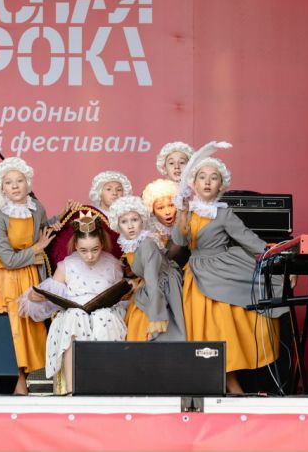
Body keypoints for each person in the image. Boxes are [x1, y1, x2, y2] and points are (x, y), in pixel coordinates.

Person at [173, 151, 283, 394]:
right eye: (202, 177)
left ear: (221, 185)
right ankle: (222, 385)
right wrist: (181, 212)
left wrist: (279, 261)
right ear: (193, 183)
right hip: (197, 276)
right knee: (202, 334)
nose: (207, 182)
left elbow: (250, 241)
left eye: (213, 178)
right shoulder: (187, 211)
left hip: (224, 272)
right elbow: (180, 241)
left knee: (222, 331)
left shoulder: (224, 213)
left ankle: (232, 386)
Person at [0, 157, 79, 394]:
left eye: (19, 180)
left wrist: (61, 216)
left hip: (28, 276)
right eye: (9, 182)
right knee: (9, 335)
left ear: (27, 182)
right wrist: (36, 249)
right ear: (2, 187)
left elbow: (43, 230)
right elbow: (9, 259)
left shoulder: (36, 207)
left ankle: (19, 388)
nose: (15, 186)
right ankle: (17, 388)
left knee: (26, 335)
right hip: (1, 280)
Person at [18, 212, 127, 394]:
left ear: (102, 244)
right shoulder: (67, 265)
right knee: (75, 317)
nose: (90, 256)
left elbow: (120, 296)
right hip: (74, 314)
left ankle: (105, 386)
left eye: (95, 249)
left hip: (104, 313)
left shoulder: (113, 265)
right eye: (84, 250)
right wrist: (36, 298)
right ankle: (71, 388)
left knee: (103, 317)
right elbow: (53, 296)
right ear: (76, 245)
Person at [108, 195, 185, 342]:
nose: (130, 226)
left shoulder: (146, 243)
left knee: (155, 331)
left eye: (134, 220)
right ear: (117, 224)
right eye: (124, 221)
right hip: (149, 285)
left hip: (163, 287)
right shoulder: (130, 244)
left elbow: (152, 278)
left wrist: (158, 315)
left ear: (142, 220)